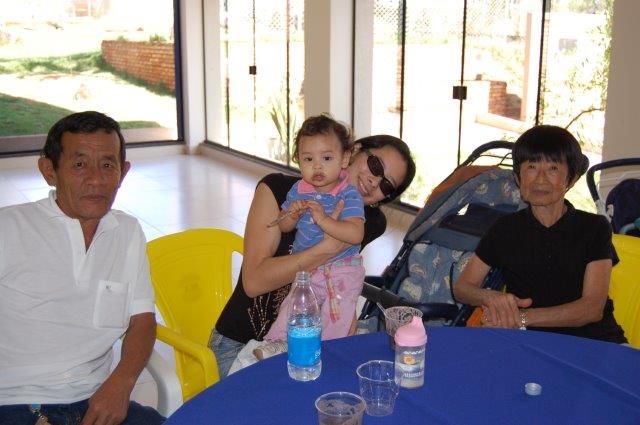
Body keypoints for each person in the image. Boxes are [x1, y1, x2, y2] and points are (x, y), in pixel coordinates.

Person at [0, 111, 165, 424]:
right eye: (79, 165)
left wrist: (122, 382)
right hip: (14, 403)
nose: (96, 179)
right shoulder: (8, 228)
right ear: (49, 170)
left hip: (97, 400)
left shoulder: (127, 231)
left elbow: (142, 320)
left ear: (123, 172)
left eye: (107, 165)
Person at [210, 128, 416, 378]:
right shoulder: (279, 190)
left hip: (306, 348)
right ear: (354, 151)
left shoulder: (368, 221)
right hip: (238, 346)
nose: (374, 181)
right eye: (375, 165)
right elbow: (254, 283)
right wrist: (326, 249)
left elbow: (336, 280)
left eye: (386, 185)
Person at [453, 125, 627, 344]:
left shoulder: (594, 227)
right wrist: (491, 297)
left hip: (594, 340)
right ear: (518, 178)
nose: (540, 179)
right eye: (532, 167)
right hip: (528, 342)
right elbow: (462, 288)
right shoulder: (505, 229)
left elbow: (591, 309)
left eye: (553, 168)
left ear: (571, 179)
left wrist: (520, 318)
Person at [253, 115, 365, 358]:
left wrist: (324, 220)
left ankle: (329, 355)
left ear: (345, 158)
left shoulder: (348, 195)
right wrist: (291, 215)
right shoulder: (299, 189)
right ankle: (280, 344)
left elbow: (356, 233)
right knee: (295, 306)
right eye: (308, 159)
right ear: (298, 160)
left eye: (327, 158)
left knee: (335, 318)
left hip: (342, 270)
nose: (317, 166)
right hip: (310, 269)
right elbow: (284, 227)